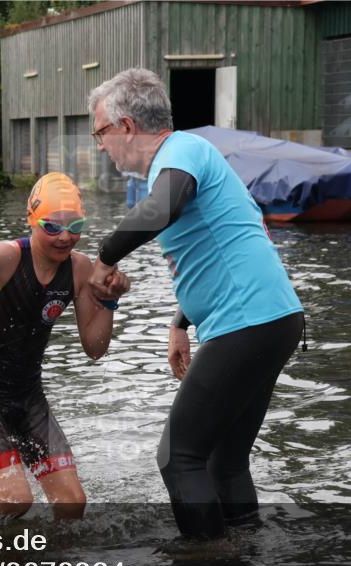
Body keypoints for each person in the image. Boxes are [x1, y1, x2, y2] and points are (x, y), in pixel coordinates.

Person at [86, 68, 305, 539]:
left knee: (178, 456)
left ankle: (207, 563)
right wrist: (179, 321)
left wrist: (105, 256)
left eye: (99, 132)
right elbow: (225, 241)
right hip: (272, 318)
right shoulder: (186, 159)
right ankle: (246, 547)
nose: (99, 145)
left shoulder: (181, 150)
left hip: (247, 322)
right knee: (225, 461)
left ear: (126, 127)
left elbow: (165, 208)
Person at [0, 172, 130, 520]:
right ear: (32, 221)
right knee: (15, 501)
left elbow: (95, 348)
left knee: (73, 505)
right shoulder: (4, 257)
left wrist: (110, 302)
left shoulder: (79, 269)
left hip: (28, 397)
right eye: (52, 227)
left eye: (76, 226)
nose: (65, 237)